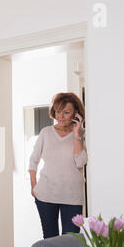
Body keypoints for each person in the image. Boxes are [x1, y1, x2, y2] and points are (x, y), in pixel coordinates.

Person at [28, 92, 87, 239]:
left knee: (71, 241)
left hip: (72, 196)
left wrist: (76, 135)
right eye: (58, 111)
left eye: (66, 112)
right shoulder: (46, 133)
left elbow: (80, 162)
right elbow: (33, 160)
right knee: (50, 240)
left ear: (76, 114)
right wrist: (33, 186)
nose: (61, 116)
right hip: (46, 194)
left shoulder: (82, 134)